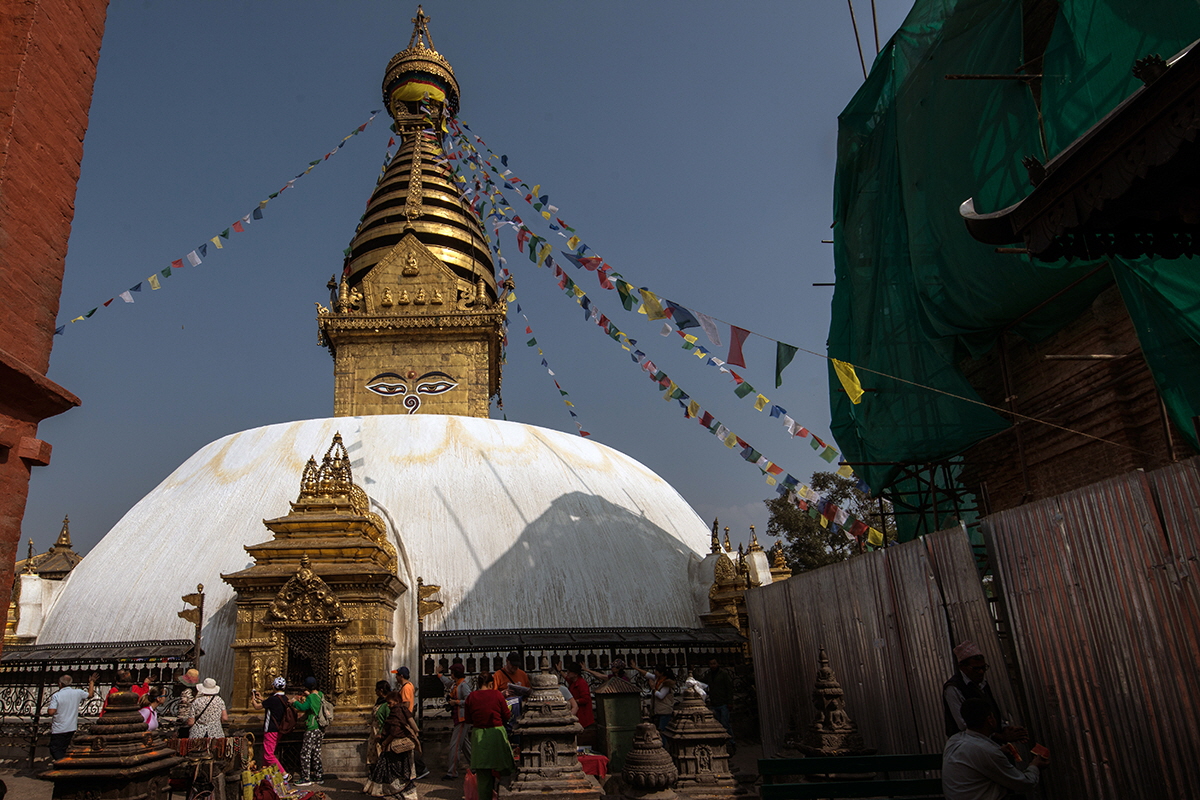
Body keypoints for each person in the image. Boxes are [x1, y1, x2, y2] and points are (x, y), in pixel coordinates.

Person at [943, 698, 1048, 800]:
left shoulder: (954, 740)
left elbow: (974, 758)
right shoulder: (987, 751)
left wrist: (999, 750)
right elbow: (1024, 783)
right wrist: (1035, 766)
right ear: (990, 720)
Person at [943, 642, 1027, 743]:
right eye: (976, 669)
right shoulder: (953, 688)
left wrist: (1004, 728)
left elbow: (992, 713)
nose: (981, 672)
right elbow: (964, 725)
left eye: (983, 668)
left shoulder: (982, 684)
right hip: (969, 745)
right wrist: (997, 736)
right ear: (962, 667)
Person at [463, 671, 515, 800]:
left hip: (479, 735)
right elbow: (506, 715)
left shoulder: (471, 697)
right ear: (491, 683)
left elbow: (468, 719)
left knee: (483, 775)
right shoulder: (497, 695)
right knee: (505, 770)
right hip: (496, 734)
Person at [363, 691, 420, 798]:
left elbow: (394, 731)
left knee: (394, 772)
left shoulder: (396, 711)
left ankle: (400, 793)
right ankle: (407, 794)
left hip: (394, 747)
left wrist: (384, 742)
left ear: (396, 701)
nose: (388, 705)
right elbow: (413, 725)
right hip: (404, 746)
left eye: (390, 703)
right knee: (403, 772)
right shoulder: (404, 710)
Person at [46, 674, 95, 761]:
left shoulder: (57, 695)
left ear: (60, 684)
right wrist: (91, 682)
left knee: (55, 749)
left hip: (59, 727)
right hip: (71, 726)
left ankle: (61, 765)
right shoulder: (77, 692)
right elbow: (90, 695)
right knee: (64, 747)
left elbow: (51, 712)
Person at [438, 663, 472, 779]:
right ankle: (476, 766)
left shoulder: (463, 686)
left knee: (455, 745)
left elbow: (469, 701)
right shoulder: (455, 684)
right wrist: (439, 675)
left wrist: (456, 702)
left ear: (455, 674)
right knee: (465, 744)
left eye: (452, 673)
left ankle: (452, 771)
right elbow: (447, 683)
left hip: (462, 718)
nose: (450, 675)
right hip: (457, 717)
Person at [394, 667, 428, 779]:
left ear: (401, 676)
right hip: (406, 718)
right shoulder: (408, 686)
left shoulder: (406, 688)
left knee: (408, 746)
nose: (396, 677)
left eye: (397, 675)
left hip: (405, 719)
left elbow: (407, 704)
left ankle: (420, 768)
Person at [251, 676, 290, 775]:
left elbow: (257, 707)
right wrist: (261, 698)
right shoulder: (284, 698)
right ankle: (267, 773)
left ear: (274, 687)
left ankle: (284, 773)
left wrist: (253, 700)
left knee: (269, 755)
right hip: (279, 729)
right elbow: (272, 703)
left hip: (270, 729)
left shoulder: (272, 699)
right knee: (268, 752)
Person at [291, 677, 325, 786]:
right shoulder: (320, 695)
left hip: (311, 727)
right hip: (319, 728)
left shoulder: (310, 697)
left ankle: (306, 777)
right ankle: (319, 776)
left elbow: (303, 707)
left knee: (305, 753)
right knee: (316, 753)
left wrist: (294, 702)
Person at [631, 662, 676, 730]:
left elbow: (661, 696)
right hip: (658, 710)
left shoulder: (667, 683)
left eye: (656, 671)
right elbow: (647, 674)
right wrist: (636, 668)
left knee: (663, 730)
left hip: (665, 711)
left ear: (661, 673)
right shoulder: (657, 679)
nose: (655, 672)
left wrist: (653, 688)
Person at [703, 659, 735, 740]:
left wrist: (730, 702)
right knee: (717, 724)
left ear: (717, 664)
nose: (712, 665)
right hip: (714, 702)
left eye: (714, 663)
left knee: (725, 724)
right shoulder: (709, 675)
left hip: (723, 702)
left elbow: (729, 688)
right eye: (711, 664)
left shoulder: (723, 674)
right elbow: (703, 682)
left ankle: (731, 741)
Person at [562, 662, 595, 735]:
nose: (568, 673)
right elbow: (567, 678)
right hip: (579, 716)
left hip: (584, 717)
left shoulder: (581, 684)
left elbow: (586, 699)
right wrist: (560, 671)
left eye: (570, 672)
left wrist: (573, 702)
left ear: (575, 674)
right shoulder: (574, 682)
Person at [176, 668, 200, 737]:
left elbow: (182, 709)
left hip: (185, 722)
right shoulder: (200, 692)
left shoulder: (185, 692)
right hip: (195, 721)